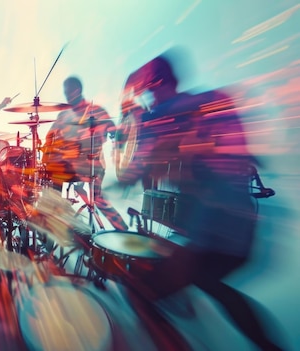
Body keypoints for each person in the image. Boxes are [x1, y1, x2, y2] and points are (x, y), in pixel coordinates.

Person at [118, 50, 284, 351]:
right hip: (238, 225)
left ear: (155, 85)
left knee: (142, 290)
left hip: (218, 229)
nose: (147, 97)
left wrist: (128, 102)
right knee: (210, 284)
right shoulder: (208, 101)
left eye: (147, 89)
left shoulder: (164, 114)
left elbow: (133, 171)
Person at [42, 76, 128, 232]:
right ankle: (64, 230)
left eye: (70, 91)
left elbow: (112, 129)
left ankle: (122, 230)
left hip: (91, 166)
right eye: (65, 92)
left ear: (78, 90)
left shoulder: (95, 111)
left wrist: (116, 134)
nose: (67, 95)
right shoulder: (63, 115)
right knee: (56, 193)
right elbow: (50, 136)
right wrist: (48, 154)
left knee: (97, 199)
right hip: (69, 169)